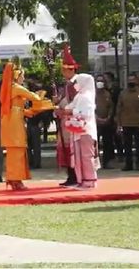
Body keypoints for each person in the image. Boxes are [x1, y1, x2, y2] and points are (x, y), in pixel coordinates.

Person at [0, 59, 42, 191]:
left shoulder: (10, 87)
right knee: (16, 151)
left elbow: (16, 107)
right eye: (22, 75)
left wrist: (26, 112)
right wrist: (42, 94)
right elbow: (35, 98)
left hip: (12, 119)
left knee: (14, 151)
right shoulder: (16, 87)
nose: (23, 78)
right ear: (17, 75)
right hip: (14, 122)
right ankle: (15, 180)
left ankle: (14, 179)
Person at [64, 74, 100, 189]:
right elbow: (69, 107)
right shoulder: (80, 96)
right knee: (79, 156)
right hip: (78, 131)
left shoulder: (87, 96)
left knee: (86, 156)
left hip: (86, 130)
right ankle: (82, 180)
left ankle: (89, 180)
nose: (75, 85)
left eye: (77, 82)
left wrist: (71, 112)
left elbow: (85, 113)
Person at [53, 45, 79, 186]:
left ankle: (75, 176)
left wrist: (63, 111)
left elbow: (75, 103)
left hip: (72, 121)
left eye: (65, 69)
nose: (63, 72)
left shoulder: (75, 84)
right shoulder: (67, 84)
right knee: (66, 149)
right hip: (65, 121)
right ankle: (71, 175)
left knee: (72, 149)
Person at [116, 74, 139, 171]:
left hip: (138, 123)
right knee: (127, 145)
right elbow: (119, 109)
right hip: (126, 123)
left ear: (136, 81)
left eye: (133, 80)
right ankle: (128, 164)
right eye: (129, 80)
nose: (131, 82)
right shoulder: (123, 94)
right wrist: (119, 123)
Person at [95, 74, 115, 169]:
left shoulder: (107, 94)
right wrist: (97, 118)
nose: (100, 83)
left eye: (102, 81)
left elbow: (111, 107)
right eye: (98, 81)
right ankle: (95, 163)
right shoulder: (92, 94)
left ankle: (107, 162)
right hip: (95, 122)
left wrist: (108, 118)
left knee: (108, 143)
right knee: (95, 144)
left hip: (107, 122)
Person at [104, 72, 124, 162]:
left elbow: (118, 103)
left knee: (117, 136)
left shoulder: (116, 90)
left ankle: (120, 154)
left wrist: (117, 115)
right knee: (107, 137)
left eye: (105, 78)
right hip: (106, 115)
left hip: (115, 114)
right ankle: (110, 155)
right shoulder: (103, 89)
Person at [26, 76, 43, 169]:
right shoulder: (27, 93)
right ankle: (32, 162)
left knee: (35, 144)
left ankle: (36, 162)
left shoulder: (38, 93)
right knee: (30, 144)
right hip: (30, 121)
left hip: (35, 121)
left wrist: (42, 121)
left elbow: (42, 109)